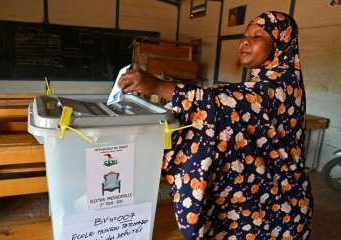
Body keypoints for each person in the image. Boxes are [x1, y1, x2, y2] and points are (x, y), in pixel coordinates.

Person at [119, 11, 312, 239]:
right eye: (244, 35)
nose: (245, 42)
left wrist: (158, 86)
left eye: (258, 36)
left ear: (280, 44)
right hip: (258, 203)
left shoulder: (282, 86)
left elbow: (223, 102)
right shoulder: (262, 83)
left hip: (281, 209)